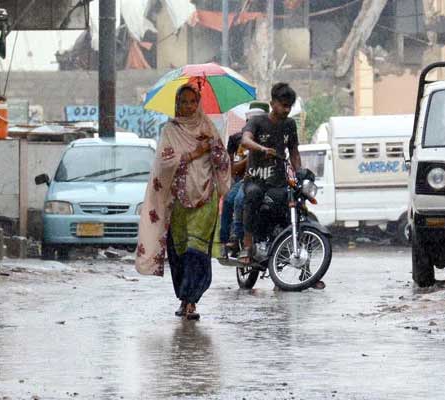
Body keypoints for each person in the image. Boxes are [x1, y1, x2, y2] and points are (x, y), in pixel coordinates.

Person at [135, 84, 231, 320]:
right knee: (179, 253)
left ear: (198, 103)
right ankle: (183, 297)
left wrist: (213, 147)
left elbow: (222, 160)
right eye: (183, 102)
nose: (188, 106)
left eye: (192, 102)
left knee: (196, 251)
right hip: (177, 201)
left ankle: (192, 302)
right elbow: (164, 163)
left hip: (205, 197)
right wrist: (194, 153)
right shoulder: (171, 129)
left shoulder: (208, 127)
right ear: (176, 105)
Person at [239, 82, 326, 289]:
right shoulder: (258, 122)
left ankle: (307, 272)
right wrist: (261, 148)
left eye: (289, 106)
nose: (286, 110)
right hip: (256, 179)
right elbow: (245, 140)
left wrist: (298, 175)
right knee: (252, 196)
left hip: (278, 182)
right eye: (283, 105)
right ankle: (248, 246)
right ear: (272, 103)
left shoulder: (289, 125)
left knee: (298, 212)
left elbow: (294, 152)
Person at [219, 102, 269, 258]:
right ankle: (228, 240)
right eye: (250, 120)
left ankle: (238, 237)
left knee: (241, 200)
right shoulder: (237, 139)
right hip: (245, 180)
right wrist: (249, 159)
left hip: (266, 179)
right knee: (230, 200)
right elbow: (231, 168)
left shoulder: (271, 137)